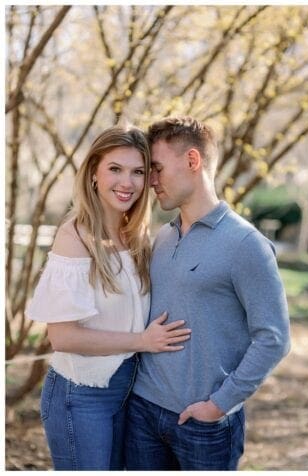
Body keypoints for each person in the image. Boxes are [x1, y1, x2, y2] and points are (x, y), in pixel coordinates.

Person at [124, 116, 290, 470]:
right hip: (142, 413)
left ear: (193, 161)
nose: (150, 181)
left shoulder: (246, 245)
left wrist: (219, 405)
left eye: (156, 168)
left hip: (203, 426)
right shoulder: (163, 238)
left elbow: (273, 338)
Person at [26, 125, 193, 470]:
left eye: (138, 172)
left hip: (128, 392)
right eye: (115, 169)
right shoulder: (75, 236)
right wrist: (142, 341)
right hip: (80, 395)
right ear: (93, 174)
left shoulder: (137, 235)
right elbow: (63, 336)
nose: (126, 183)